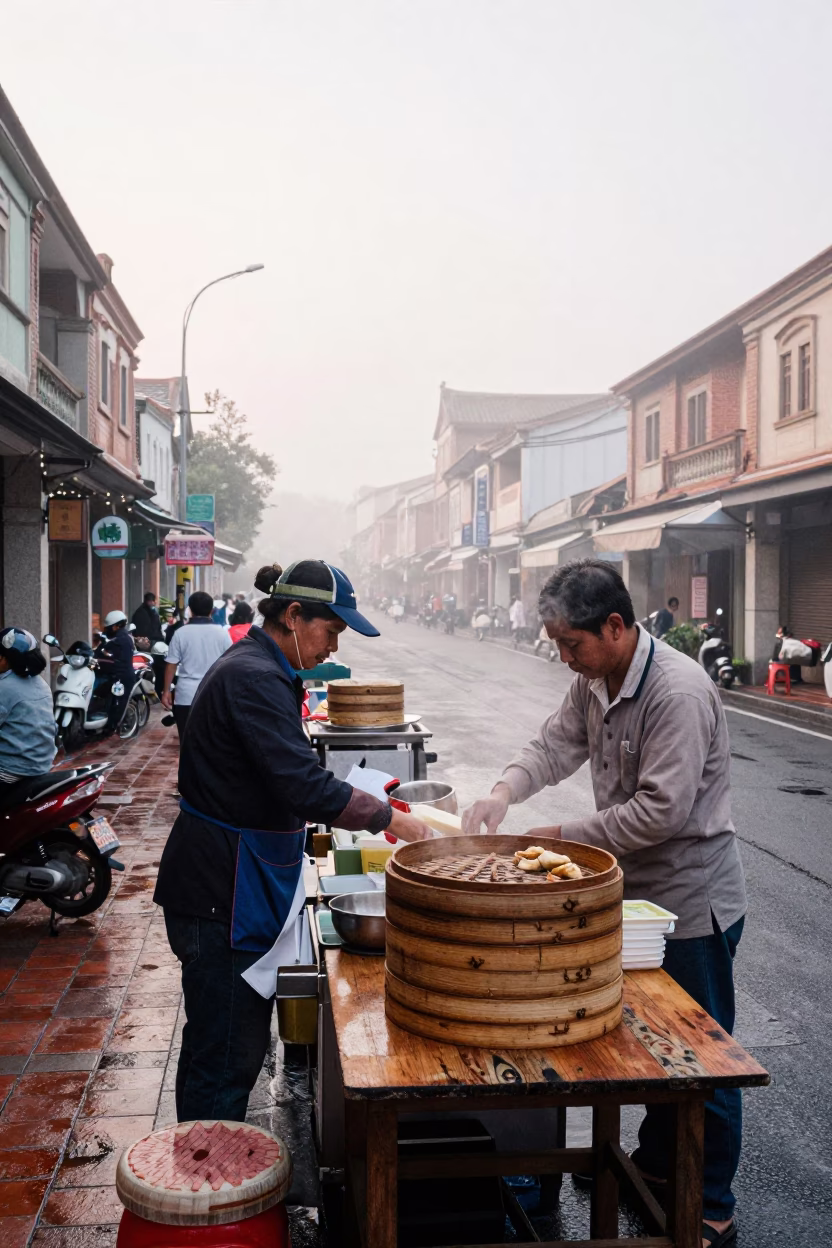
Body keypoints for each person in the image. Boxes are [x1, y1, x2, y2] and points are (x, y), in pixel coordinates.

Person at [463, 560, 746, 1248]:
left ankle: (710, 1202)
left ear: (615, 626)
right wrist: (505, 790)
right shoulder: (596, 680)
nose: (565, 660)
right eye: (557, 645)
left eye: (572, 645)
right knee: (644, 1042)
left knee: (699, 1056)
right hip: (633, 893)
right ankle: (651, 1164)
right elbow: (556, 744)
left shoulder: (676, 690)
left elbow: (660, 812)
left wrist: (556, 836)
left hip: (691, 897)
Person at [153, 559, 429, 1123]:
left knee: (228, 1043)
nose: (333, 646)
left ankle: (206, 1166)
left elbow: (280, 774)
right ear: (295, 616)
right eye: (331, 631)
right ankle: (204, 1179)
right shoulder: (253, 676)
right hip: (219, 891)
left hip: (230, 881)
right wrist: (390, 819)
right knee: (225, 1050)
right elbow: (300, 782)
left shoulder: (264, 669)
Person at [161, 591, 232, 740]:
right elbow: (230, 665)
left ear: (190, 609)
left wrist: (166, 691)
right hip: (214, 696)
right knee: (212, 743)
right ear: (211, 610)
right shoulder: (222, 634)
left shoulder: (180, 633)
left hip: (186, 696)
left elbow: (171, 665)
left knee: (187, 743)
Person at [0, 628, 57, 811]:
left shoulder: (5, 688)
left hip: (12, 770)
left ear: (5, 658)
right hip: (42, 764)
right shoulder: (40, 683)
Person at [95, 610, 136, 735]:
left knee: (117, 704)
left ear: (117, 626)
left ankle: (112, 727)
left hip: (121, 677)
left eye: (109, 627)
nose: (108, 629)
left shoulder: (121, 639)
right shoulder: (115, 637)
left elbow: (105, 652)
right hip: (114, 675)